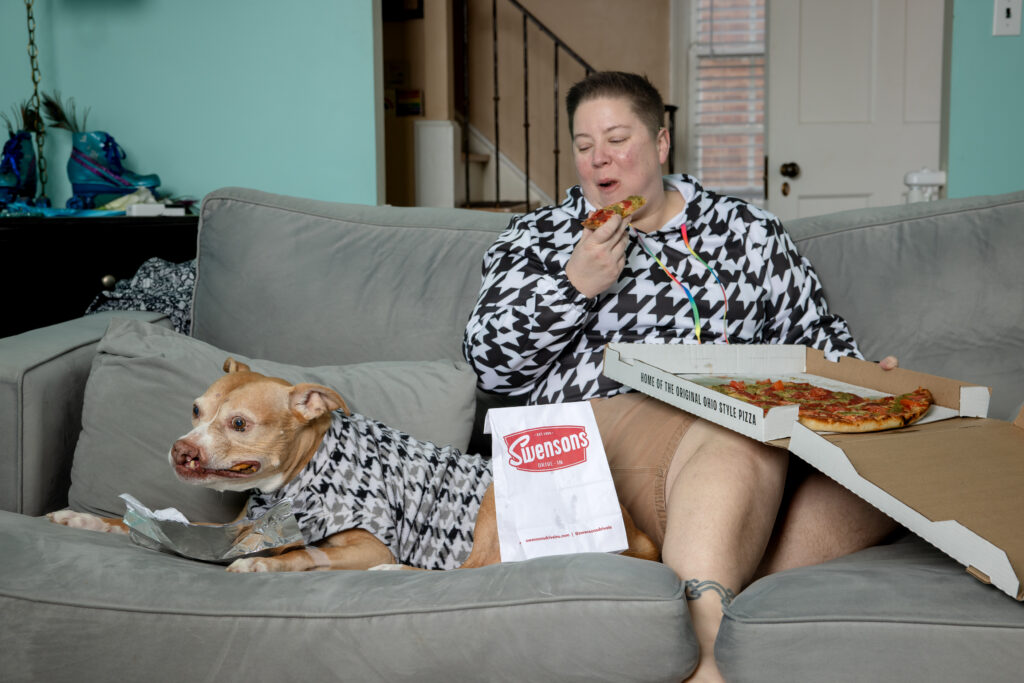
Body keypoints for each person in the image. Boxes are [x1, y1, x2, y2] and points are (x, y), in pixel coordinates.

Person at [463, 71, 899, 682]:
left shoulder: (749, 232)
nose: (598, 159)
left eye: (617, 140)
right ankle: (708, 652)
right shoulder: (538, 237)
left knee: (886, 469)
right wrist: (574, 286)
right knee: (741, 427)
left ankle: (701, 581)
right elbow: (489, 364)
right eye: (584, 145)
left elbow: (815, 336)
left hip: (743, 436)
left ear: (661, 142)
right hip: (595, 443)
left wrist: (864, 382)